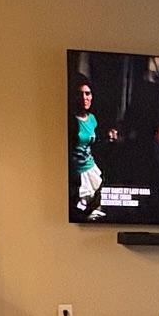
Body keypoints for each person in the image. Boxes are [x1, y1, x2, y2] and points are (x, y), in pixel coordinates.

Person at [69, 79, 102, 216]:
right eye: (80, 94)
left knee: (94, 210)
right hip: (76, 174)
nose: (84, 98)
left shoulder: (92, 118)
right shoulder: (70, 120)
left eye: (87, 94)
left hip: (91, 168)